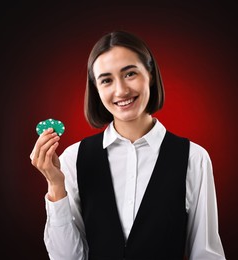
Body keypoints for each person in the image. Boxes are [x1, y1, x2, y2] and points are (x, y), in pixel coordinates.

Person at [30, 30, 226, 260]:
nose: (121, 90)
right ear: (96, 89)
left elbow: (206, 254)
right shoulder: (72, 159)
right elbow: (67, 258)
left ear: (150, 75)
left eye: (130, 73)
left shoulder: (194, 158)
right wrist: (55, 186)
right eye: (106, 80)